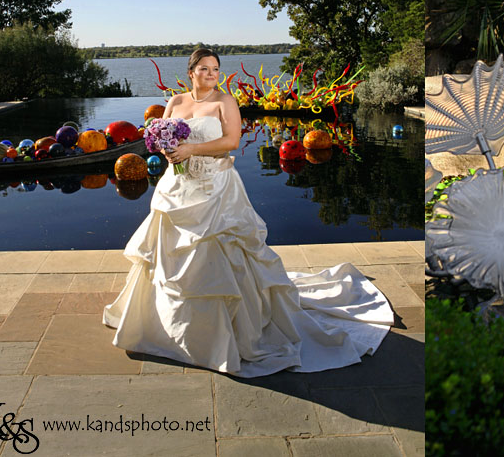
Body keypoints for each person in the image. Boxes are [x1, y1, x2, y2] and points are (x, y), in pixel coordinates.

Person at [103, 48, 393, 377]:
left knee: (221, 251)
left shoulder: (225, 102)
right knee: (168, 253)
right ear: (191, 72)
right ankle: (166, 329)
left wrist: (191, 149)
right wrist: (170, 153)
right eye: (204, 68)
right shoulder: (176, 102)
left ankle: (224, 333)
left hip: (216, 189)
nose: (211, 74)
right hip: (179, 189)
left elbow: (231, 142)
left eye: (215, 68)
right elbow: (163, 140)